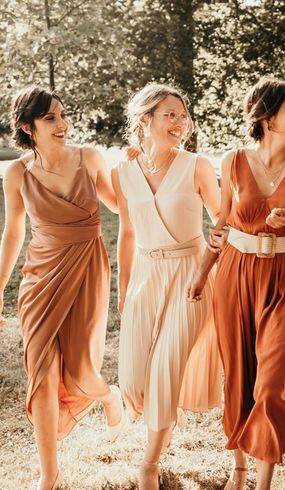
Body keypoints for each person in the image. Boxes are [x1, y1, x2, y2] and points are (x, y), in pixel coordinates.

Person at [187, 77, 285, 490]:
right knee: (239, 374)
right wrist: (201, 271)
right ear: (267, 116)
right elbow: (222, 222)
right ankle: (240, 467)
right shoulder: (231, 162)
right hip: (234, 274)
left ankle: (263, 481)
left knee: (272, 382)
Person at [0, 86, 123, 490]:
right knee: (43, 372)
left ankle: (106, 395)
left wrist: (140, 171)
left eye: (63, 115)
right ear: (27, 126)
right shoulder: (16, 173)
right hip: (39, 278)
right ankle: (48, 475)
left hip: (87, 268)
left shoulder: (88, 158)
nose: (62, 125)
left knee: (82, 368)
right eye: (50, 118)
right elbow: (14, 231)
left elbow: (120, 205)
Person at [113, 83, 222, 489]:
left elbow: (222, 218)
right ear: (145, 119)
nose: (180, 123)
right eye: (169, 115)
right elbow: (125, 232)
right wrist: (124, 289)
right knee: (134, 380)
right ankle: (155, 423)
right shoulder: (122, 171)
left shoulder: (197, 165)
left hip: (190, 277)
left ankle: (149, 462)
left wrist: (210, 258)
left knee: (165, 369)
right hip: (144, 276)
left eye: (182, 115)